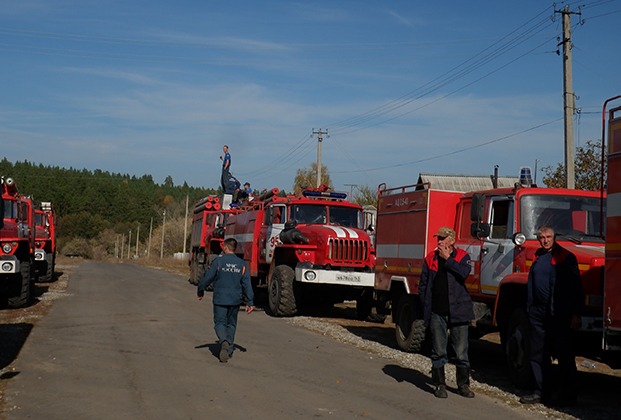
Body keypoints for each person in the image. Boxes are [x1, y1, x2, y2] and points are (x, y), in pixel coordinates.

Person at [520, 225, 582, 406]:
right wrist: (530, 308)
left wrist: (576, 313)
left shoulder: (565, 257)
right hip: (538, 313)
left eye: (548, 237)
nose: (545, 240)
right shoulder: (538, 256)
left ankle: (568, 396)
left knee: (564, 355)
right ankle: (540, 392)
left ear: (554, 237)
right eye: (541, 237)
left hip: (559, 313)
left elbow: (577, 288)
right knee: (537, 354)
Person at [419, 226, 475, 398]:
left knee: (461, 351)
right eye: (438, 238)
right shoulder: (430, 258)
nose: (440, 242)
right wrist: (425, 303)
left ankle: (463, 385)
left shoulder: (462, 256)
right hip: (437, 311)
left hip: (459, 310)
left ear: (452, 240)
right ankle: (439, 385)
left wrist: (448, 259)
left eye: (443, 238)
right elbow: (423, 283)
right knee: (438, 351)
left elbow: (464, 273)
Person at [197, 238, 254, 363]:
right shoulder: (242, 264)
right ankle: (228, 350)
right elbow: (247, 284)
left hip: (220, 299)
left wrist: (200, 290)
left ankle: (224, 342)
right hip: (235, 300)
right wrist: (250, 302)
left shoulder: (218, 262)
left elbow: (207, 278)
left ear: (226, 247)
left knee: (220, 323)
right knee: (231, 324)